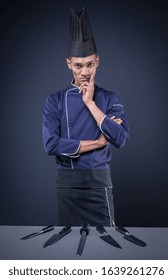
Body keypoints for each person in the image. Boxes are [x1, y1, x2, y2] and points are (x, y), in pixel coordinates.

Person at [42, 7, 129, 226]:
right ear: (68, 64)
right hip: (67, 184)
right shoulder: (55, 100)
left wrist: (90, 103)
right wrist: (98, 142)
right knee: (70, 247)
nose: (84, 72)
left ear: (97, 61)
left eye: (90, 64)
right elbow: (51, 145)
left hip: (99, 182)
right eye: (78, 65)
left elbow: (120, 138)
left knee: (103, 246)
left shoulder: (109, 98)